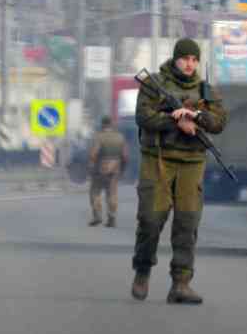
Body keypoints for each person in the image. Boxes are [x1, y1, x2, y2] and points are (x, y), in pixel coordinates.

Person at [131, 38, 227, 305]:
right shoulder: (155, 83)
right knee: (151, 219)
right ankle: (142, 269)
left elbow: (219, 122)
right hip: (158, 159)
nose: (189, 64)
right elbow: (143, 116)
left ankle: (181, 283)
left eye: (194, 60)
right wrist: (175, 121)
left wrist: (195, 117)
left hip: (192, 162)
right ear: (175, 58)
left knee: (187, 223)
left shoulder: (205, 89)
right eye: (185, 58)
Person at [87, 115, 128, 227]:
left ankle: (97, 216)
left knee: (95, 192)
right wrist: (122, 169)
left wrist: (91, 167)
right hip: (115, 169)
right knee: (112, 193)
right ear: (112, 124)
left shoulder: (99, 137)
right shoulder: (120, 137)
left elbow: (93, 154)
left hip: (100, 169)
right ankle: (112, 217)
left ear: (102, 124)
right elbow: (125, 156)